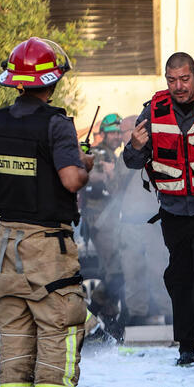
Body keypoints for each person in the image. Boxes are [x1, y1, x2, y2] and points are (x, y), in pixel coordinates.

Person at [0, 37, 96, 387]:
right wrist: (83, 164)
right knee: (59, 324)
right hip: (47, 246)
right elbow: (70, 180)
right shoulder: (56, 124)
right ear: (52, 83)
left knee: (15, 329)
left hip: (6, 243)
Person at [123, 52, 194, 367]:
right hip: (172, 210)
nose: (179, 86)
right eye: (172, 80)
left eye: (184, 79)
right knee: (178, 276)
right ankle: (186, 343)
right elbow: (131, 162)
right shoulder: (153, 110)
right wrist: (135, 147)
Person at [116, 116, 169, 327]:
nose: (122, 136)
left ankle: (169, 313)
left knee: (159, 269)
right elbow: (116, 186)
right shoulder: (124, 156)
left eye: (125, 131)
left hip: (152, 221)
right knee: (132, 271)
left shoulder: (155, 151)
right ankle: (137, 315)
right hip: (129, 222)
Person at [83, 113, 125, 333]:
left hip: (110, 220)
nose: (117, 136)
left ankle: (109, 325)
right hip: (101, 220)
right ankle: (89, 316)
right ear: (103, 134)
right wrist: (105, 174)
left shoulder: (112, 155)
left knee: (110, 272)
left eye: (119, 132)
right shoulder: (99, 153)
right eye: (113, 133)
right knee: (116, 272)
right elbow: (90, 177)